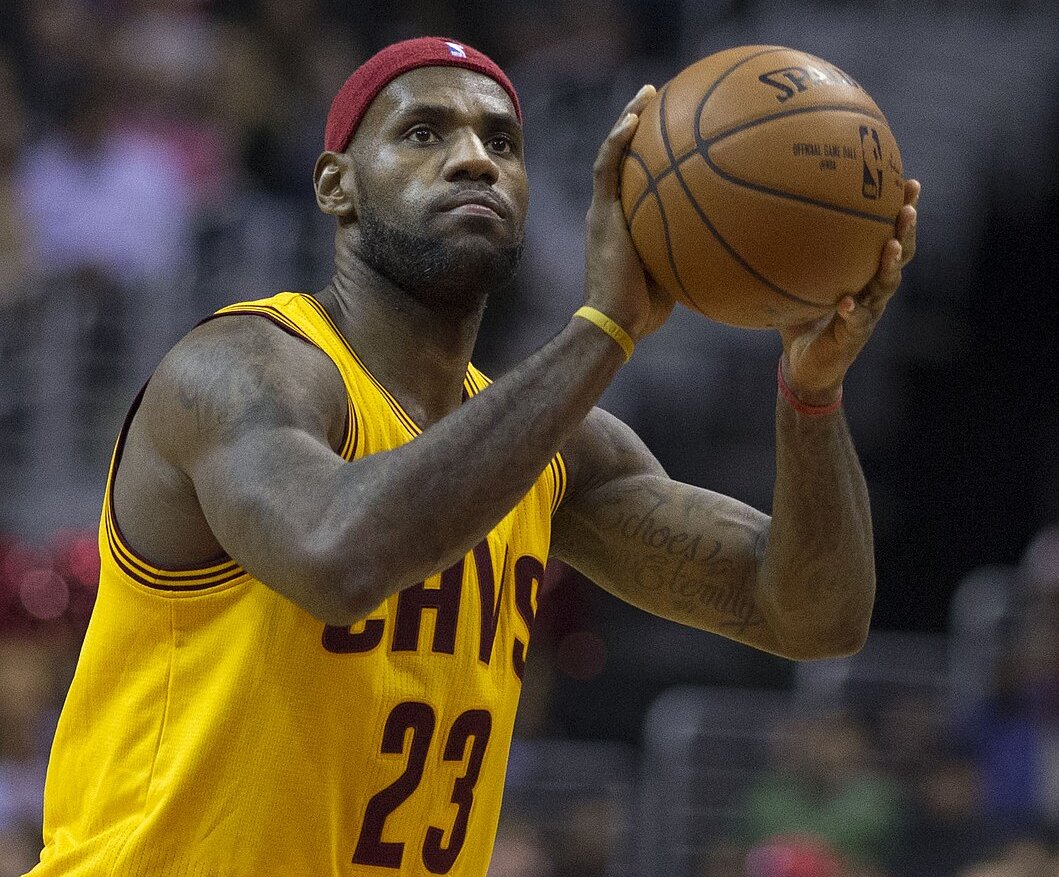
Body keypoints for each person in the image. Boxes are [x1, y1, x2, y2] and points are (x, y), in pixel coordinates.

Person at [28, 36, 919, 877]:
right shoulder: (239, 368)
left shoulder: (551, 445)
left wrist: (811, 393)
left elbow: (810, 616)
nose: (473, 158)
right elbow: (337, 555)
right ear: (335, 185)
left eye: (502, 140)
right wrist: (603, 331)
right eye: (423, 132)